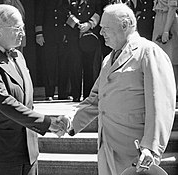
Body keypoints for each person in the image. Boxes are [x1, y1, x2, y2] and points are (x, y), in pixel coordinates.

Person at [59, 3, 176, 175]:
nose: (100, 33)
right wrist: (71, 120)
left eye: (106, 28)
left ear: (125, 25)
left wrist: (151, 148)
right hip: (107, 150)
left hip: (135, 154)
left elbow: (161, 104)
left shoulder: (148, 52)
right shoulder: (108, 58)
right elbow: (96, 99)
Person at [0, 4, 67, 175]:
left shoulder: (18, 56)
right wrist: (48, 122)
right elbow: (6, 103)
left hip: (28, 149)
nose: (23, 33)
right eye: (17, 28)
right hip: (1, 152)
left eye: (23, 27)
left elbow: (26, 101)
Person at [64, 0, 103, 102]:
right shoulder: (71, 2)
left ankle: (87, 95)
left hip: (89, 37)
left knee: (89, 66)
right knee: (75, 65)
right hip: (74, 35)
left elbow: (98, 11)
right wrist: (78, 24)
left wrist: (89, 24)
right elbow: (66, 12)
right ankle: (76, 94)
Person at [35, 0, 71, 101]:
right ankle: (49, 93)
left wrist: (68, 33)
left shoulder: (66, 1)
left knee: (64, 66)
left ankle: (63, 93)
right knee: (49, 66)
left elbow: (68, 15)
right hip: (48, 36)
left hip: (63, 36)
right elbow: (39, 15)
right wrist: (39, 33)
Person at [152, 0, 178, 100]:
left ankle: (174, 91)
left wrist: (166, 30)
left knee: (171, 58)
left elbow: (172, 8)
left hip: (168, 20)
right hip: (159, 18)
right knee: (159, 58)